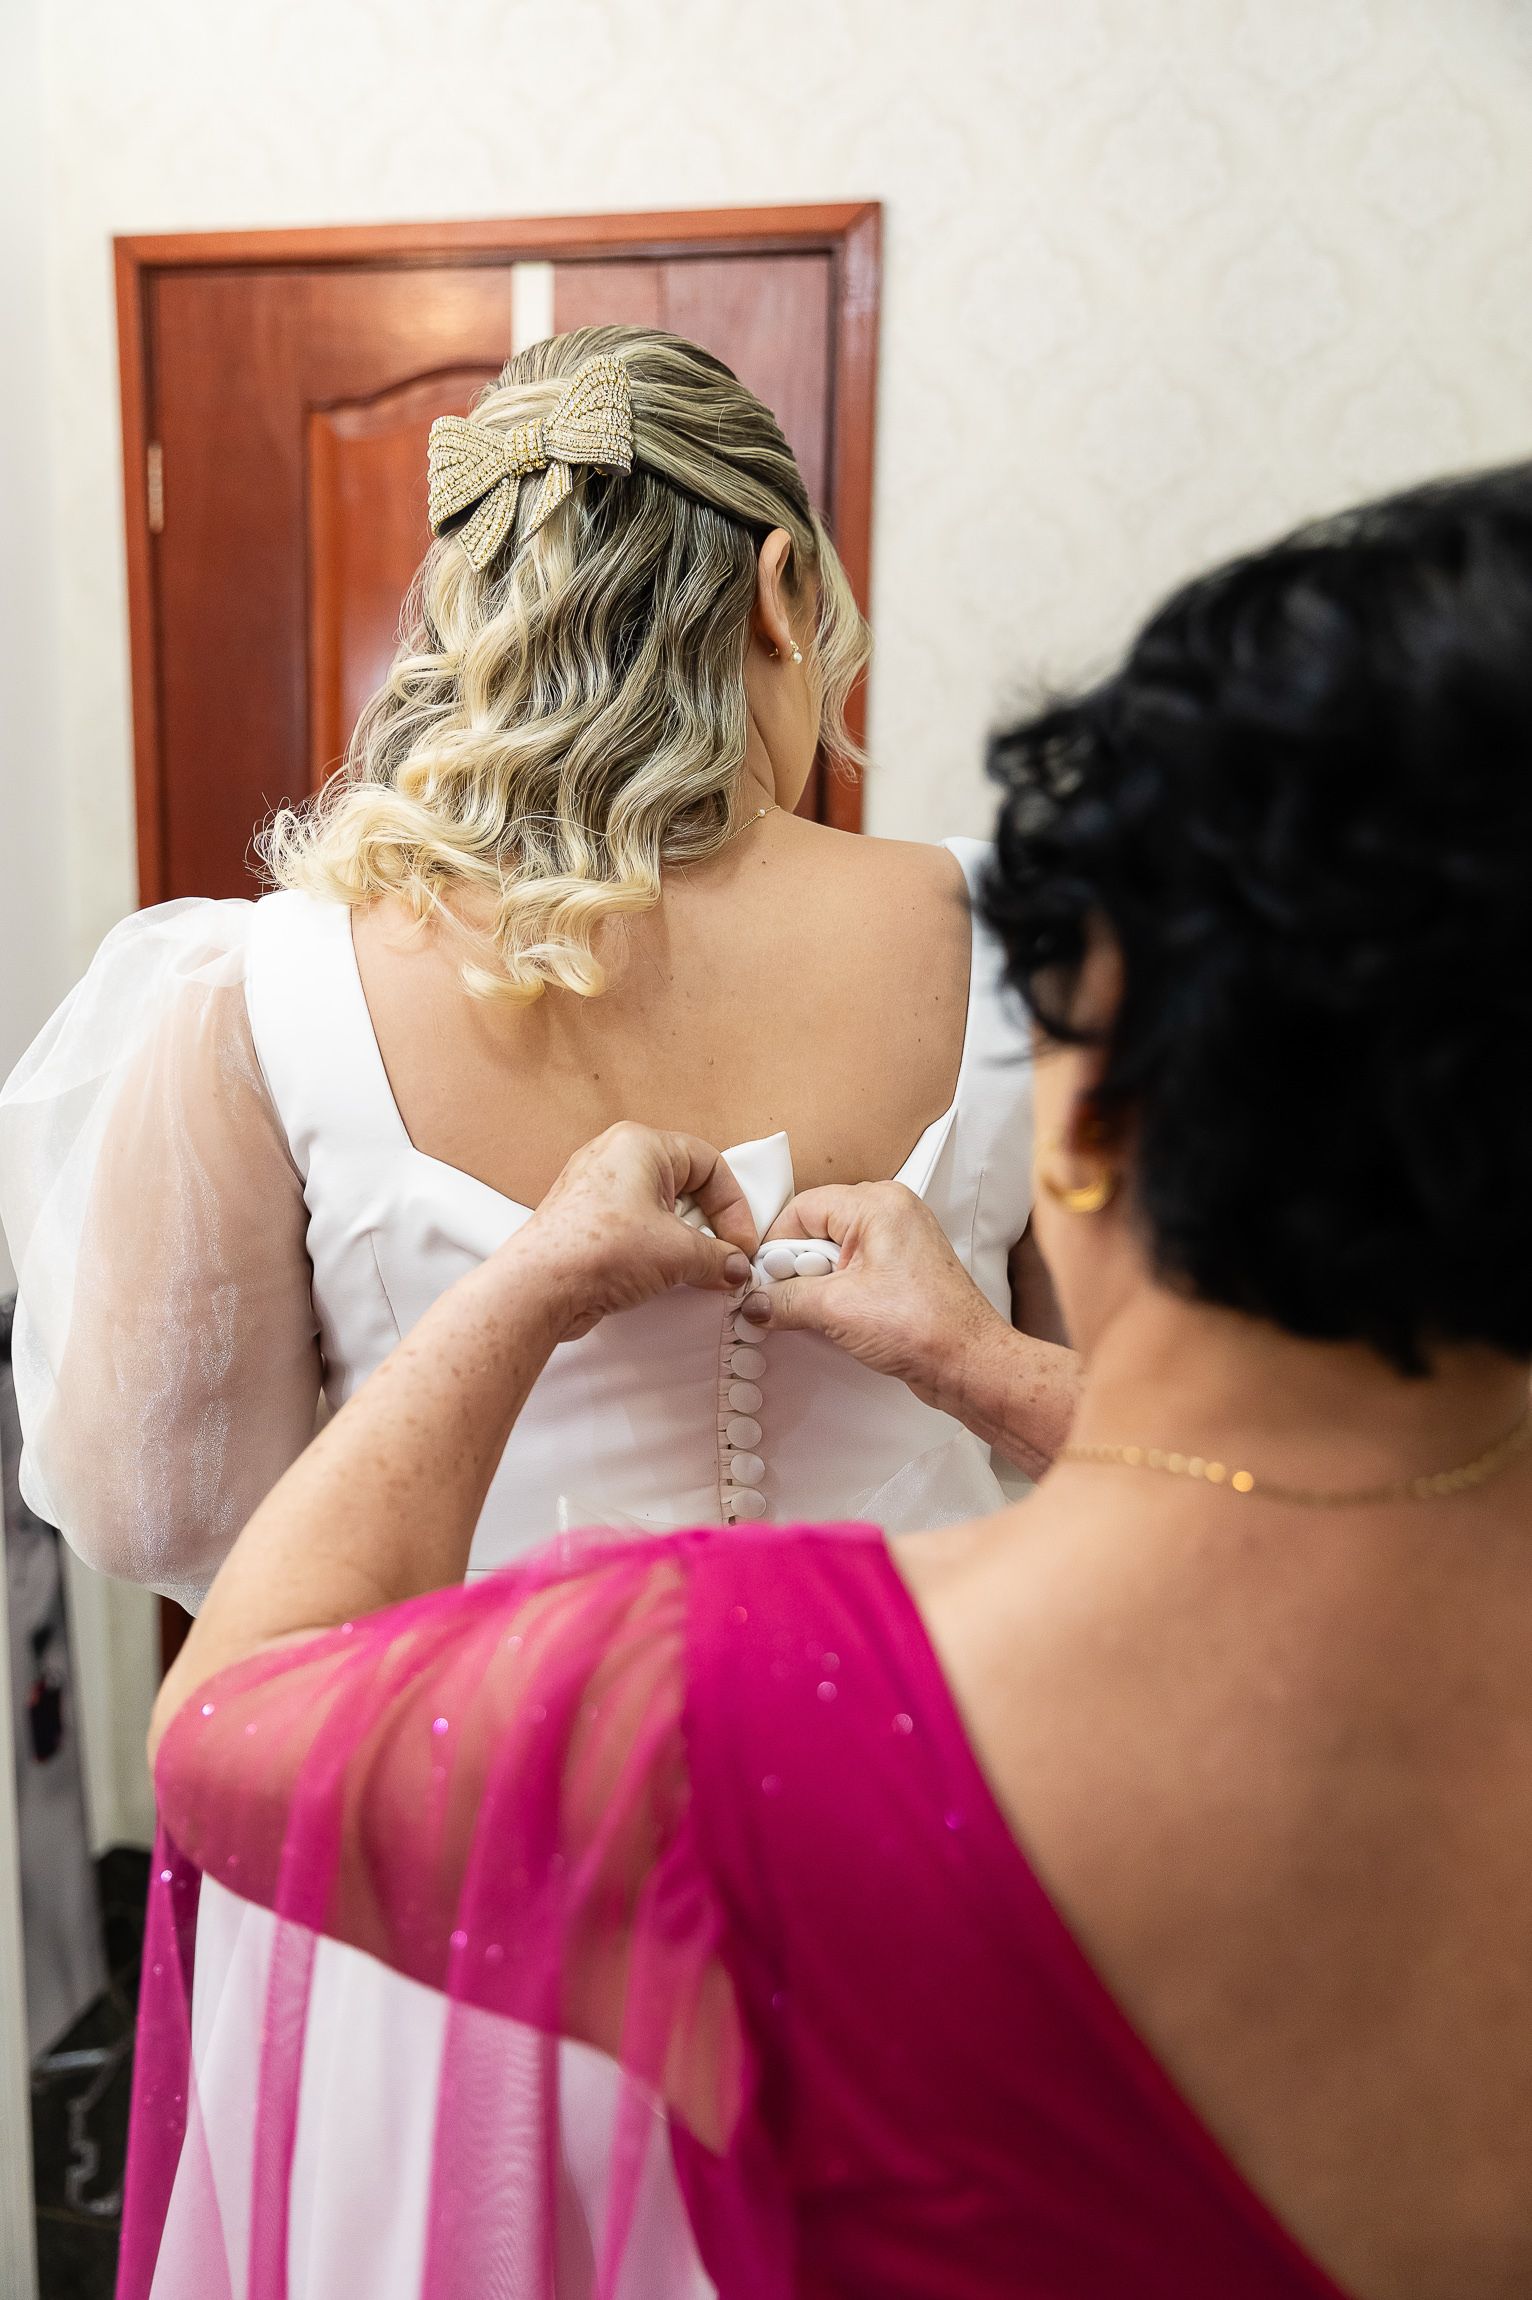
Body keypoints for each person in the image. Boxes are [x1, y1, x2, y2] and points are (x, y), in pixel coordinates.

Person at [123, 464, 1532, 2299]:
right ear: (786, 593)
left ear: (1088, 1120)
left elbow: (225, 1712)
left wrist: (519, 1289)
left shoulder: (742, 1717)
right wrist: (984, 1360)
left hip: (527, 1880)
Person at [0, 327, 1070, 2295]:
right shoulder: (1025, 940)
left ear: (472, 608)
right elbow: (1182, 1451)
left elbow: (179, 1518)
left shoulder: (268, 982)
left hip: (440, 1895)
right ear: (776, 590)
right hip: (931, 1854)